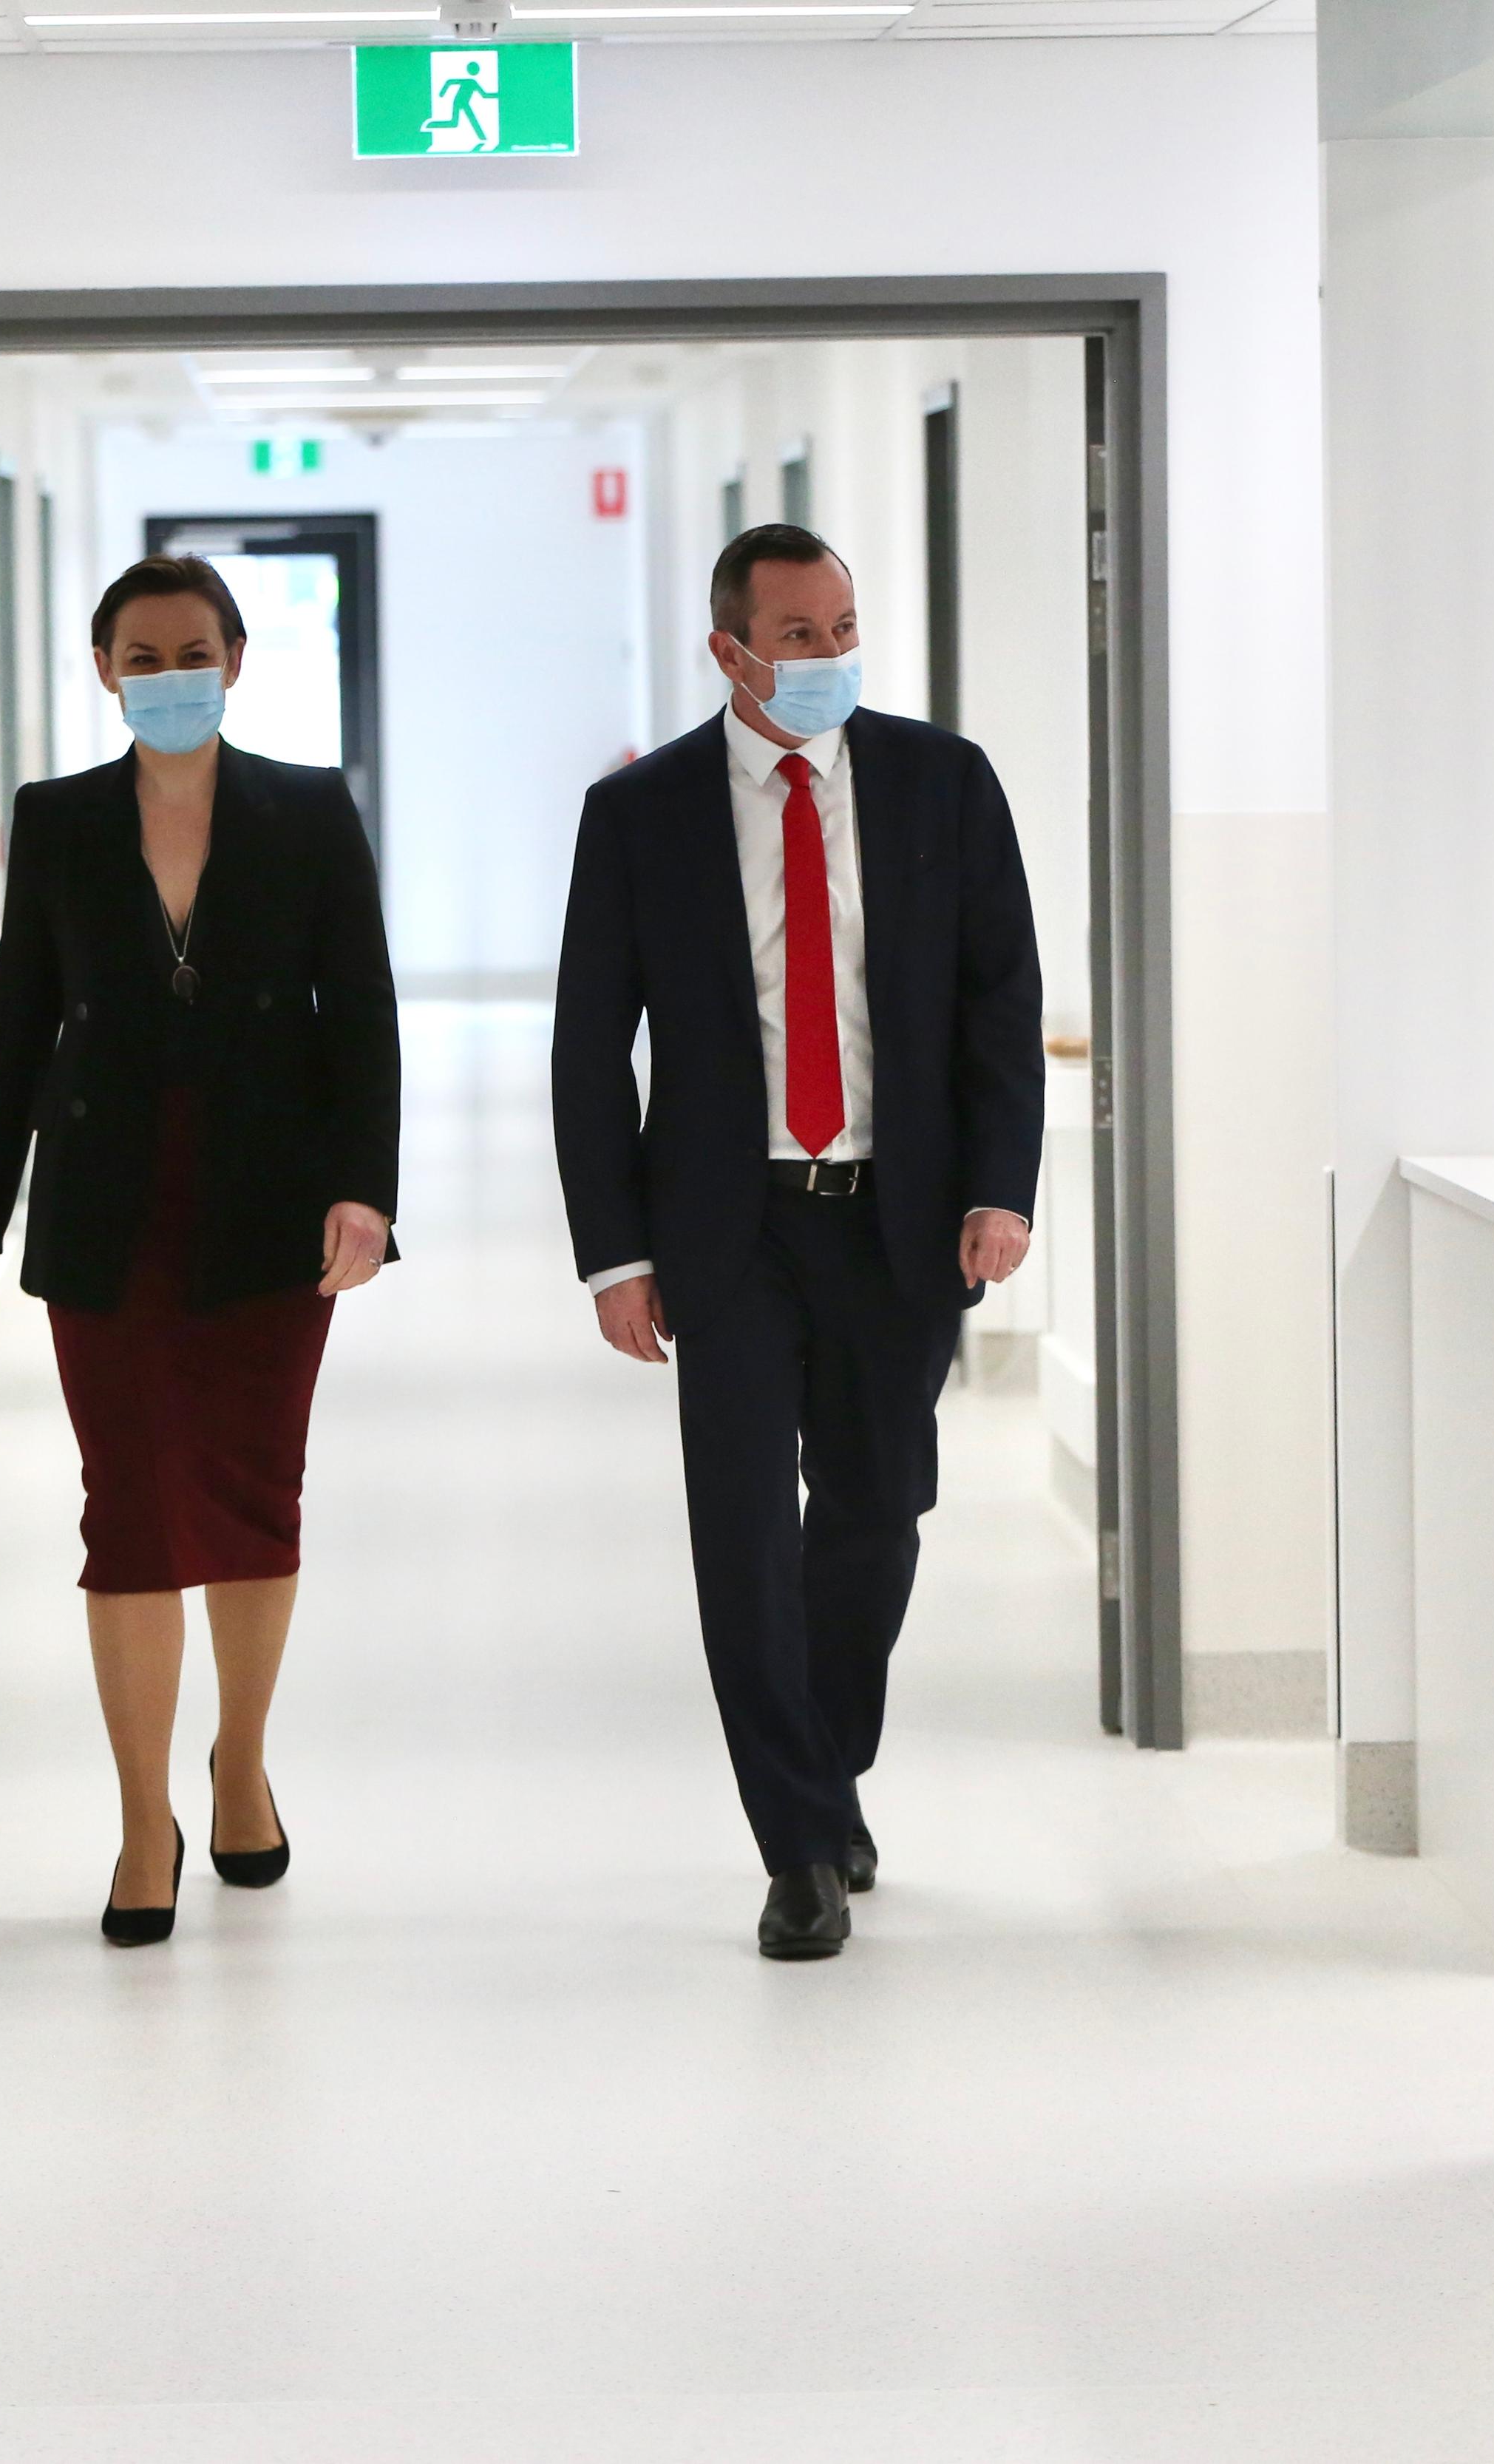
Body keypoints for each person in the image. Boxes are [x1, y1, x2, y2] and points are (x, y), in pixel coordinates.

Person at [551, 523, 1044, 1961]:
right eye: (797, 635)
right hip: (731, 1222)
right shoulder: (639, 815)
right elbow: (593, 1046)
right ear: (728, 650)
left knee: (877, 1510)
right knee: (745, 1538)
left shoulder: (941, 784)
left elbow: (997, 1002)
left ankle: (828, 1767)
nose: (827, 655)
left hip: (902, 1214)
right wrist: (613, 1252)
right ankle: (796, 1847)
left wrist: (1000, 1187)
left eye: (841, 627)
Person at [0, 553, 399, 1949]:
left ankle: (238, 1760)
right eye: (144, 654)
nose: (171, 675)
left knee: (258, 1491)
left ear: (238, 662)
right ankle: (146, 1818)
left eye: (196, 650)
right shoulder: (60, 820)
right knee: (128, 1502)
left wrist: (365, 1193)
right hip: (110, 1205)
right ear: (105, 671)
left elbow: (362, 1005)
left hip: (272, 1201)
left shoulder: (309, 811)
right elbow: (17, 1017)